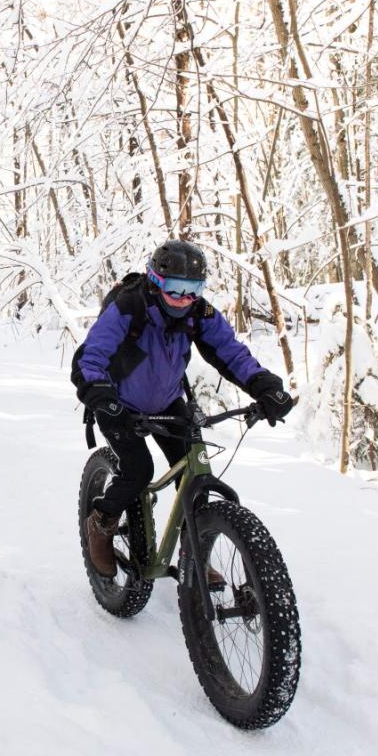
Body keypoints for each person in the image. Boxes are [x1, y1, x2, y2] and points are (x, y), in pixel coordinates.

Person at [71, 240, 293, 577]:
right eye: (175, 289)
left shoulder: (198, 313)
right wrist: (101, 395)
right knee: (138, 470)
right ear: (155, 282)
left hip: (168, 401)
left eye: (193, 290)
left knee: (195, 474)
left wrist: (264, 385)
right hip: (118, 403)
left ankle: (195, 556)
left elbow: (230, 353)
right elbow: (91, 357)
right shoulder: (129, 305)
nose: (184, 299)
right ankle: (101, 522)